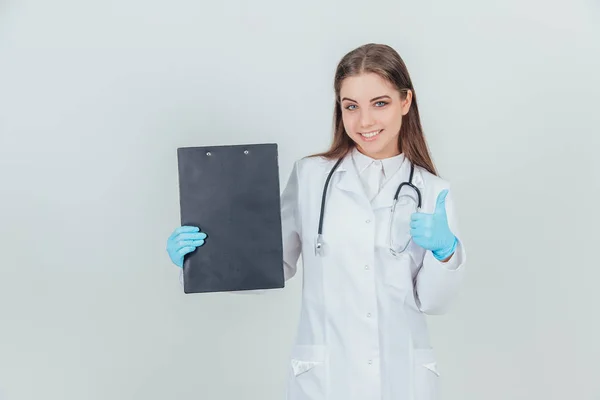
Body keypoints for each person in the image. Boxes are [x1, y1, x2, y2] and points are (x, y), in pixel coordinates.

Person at [166, 43, 466, 400]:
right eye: (350, 106)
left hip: (403, 379)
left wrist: (446, 254)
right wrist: (203, 257)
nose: (364, 121)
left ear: (405, 101)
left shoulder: (431, 190)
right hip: (325, 380)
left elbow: (435, 302)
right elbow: (271, 266)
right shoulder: (311, 177)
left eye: (380, 103)